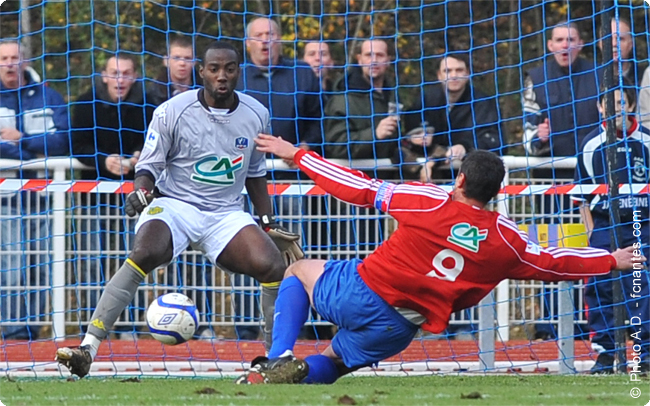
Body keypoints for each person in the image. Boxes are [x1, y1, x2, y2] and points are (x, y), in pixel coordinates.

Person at [233, 133, 641, 384]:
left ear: (460, 179)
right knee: (334, 363)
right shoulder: (506, 240)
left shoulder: (428, 200)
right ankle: (291, 378)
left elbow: (358, 187)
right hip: (399, 327)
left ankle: (278, 357)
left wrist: (298, 155)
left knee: (298, 269)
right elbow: (553, 263)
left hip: (361, 291)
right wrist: (611, 260)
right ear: (497, 191)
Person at [55, 41, 302, 379]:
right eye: (214, 69)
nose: (222, 76)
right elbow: (148, 165)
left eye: (229, 69)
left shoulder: (256, 113)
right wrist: (142, 190)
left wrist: (267, 220)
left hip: (225, 213)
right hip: (174, 204)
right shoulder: (172, 110)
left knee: (272, 265)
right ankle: (88, 348)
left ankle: (275, 358)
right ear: (202, 72)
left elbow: (256, 173)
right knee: (145, 252)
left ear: (238, 72)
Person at [236, 17, 322, 343]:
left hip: (292, 181)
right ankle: (248, 325)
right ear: (248, 43)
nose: (265, 41)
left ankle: (303, 324)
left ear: (281, 40)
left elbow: (319, 118)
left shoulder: (302, 73)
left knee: (296, 251)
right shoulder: (237, 76)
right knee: (247, 252)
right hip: (244, 182)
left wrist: (305, 147)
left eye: (271, 34)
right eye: (258, 36)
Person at [71, 54, 155, 332]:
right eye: (115, 73)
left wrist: (140, 156)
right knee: (91, 261)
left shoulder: (148, 104)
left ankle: (129, 326)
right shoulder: (86, 103)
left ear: (135, 76)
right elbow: (75, 145)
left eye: (126, 73)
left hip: (134, 197)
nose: (120, 79)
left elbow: (154, 141)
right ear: (104, 75)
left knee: (132, 259)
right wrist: (103, 160)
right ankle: (91, 325)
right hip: (93, 198)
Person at [574, 82, 650, 374]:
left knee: (642, 287)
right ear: (599, 107)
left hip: (642, 223)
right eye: (609, 103)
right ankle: (606, 353)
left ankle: (645, 353)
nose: (616, 109)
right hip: (606, 225)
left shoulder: (646, 141)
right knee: (600, 287)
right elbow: (582, 199)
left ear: (630, 106)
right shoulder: (591, 145)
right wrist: (594, 234)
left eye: (621, 103)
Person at [0, 40, 69, 340]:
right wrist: (30, 152)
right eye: (3, 58)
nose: (9, 63)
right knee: (13, 266)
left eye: (14, 57)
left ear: (25, 61)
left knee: (42, 266)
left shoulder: (48, 96)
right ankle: (14, 332)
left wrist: (23, 139)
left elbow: (64, 140)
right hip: (7, 200)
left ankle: (33, 331)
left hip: (43, 198)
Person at [402, 52, 502, 182]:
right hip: (429, 178)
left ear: (468, 73)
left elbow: (496, 140)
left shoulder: (483, 103)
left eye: (459, 70)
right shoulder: (425, 100)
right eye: (448, 71)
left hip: (470, 180)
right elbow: (408, 136)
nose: (454, 76)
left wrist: (465, 147)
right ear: (439, 75)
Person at [323, 39, 400, 168]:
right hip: (355, 177)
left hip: (388, 176)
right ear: (359, 60)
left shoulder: (393, 96)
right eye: (369, 55)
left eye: (380, 55)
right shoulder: (343, 99)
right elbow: (337, 147)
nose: (374, 60)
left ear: (388, 60)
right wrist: (374, 134)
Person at [148, 36, 198, 106]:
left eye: (187, 58)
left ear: (194, 62)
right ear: (166, 61)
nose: (182, 63)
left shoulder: (204, 90)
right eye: (176, 58)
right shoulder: (153, 94)